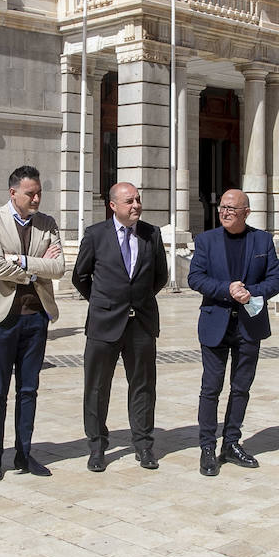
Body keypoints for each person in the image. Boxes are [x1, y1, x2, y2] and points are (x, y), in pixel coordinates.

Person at [0, 166, 66, 480]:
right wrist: (35, 268)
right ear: (13, 193)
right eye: (30, 193)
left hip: (35, 316)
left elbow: (59, 267)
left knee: (29, 389)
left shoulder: (47, 223)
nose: (37, 198)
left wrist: (23, 261)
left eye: (39, 192)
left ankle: (24, 454)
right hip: (0, 318)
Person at [187, 188, 279, 476]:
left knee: (241, 388)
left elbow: (276, 279)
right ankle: (207, 446)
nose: (225, 212)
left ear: (246, 212)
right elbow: (196, 277)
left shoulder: (262, 240)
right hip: (215, 323)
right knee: (211, 388)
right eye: (222, 208)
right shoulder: (206, 240)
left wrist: (250, 292)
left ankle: (231, 442)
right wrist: (227, 290)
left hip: (249, 325)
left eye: (232, 208)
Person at [72, 182, 168, 473]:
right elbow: (81, 277)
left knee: (142, 386)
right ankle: (97, 447)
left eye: (138, 199)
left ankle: (143, 444)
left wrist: (135, 299)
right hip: (104, 324)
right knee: (97, 388)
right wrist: (105, 302)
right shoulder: (95, 235)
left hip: (141, 322)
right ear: (113, 205)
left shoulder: (152, 234)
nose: (136, 205)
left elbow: (160, 276)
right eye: (129, 201)